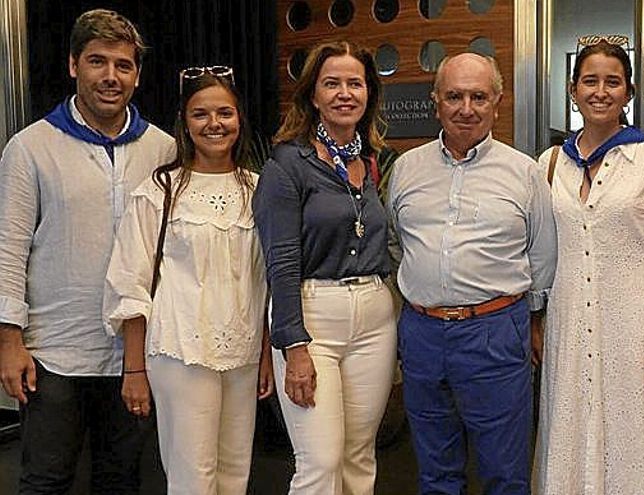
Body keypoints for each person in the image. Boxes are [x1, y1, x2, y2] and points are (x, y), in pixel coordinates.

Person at [0, 9, 175, 494]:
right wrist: (9, 342)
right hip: (54, 352)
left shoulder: (162, 150)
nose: (111, 76)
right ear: (74, 65)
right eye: (98, 62)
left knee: (120, 481)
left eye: (123, 65)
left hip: (134, 356)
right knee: (45, 481)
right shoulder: (30, 147)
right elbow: (7, 250)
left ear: (137, 75)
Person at [532, 38, 644, 495]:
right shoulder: (549, 164)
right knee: (573, 431)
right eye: (590, 81)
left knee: (639, 437)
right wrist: (537, 319)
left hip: (636, 331)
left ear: (628, 92)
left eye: (613, 82)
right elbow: (541, 250)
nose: (600, 91)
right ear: (573, 89)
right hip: (569, 325)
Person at [387, 52, 557, 495]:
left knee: (504, 470)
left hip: (494, 332)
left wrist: (534, 322)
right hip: (422, 333)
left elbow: (542, 257)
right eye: (455, 96)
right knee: (434, 470)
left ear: (497, 102)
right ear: (436, 101)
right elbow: (395, 244)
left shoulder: (524, 172)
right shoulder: (406, 169)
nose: (466, 108)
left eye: (478, 96)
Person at [103, 66, 272, 494]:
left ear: (240, 119)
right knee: (191, 477)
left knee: (235, 473)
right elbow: (130, 285)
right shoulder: (158, 190)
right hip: (179, 351)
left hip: (244, 352)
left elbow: (267, 281)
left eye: (224, 113)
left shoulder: (260, 190)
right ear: (184, 122)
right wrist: (134, 368)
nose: (214, 124)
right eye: (201, 114)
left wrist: (268, 355)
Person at [253, 41, 396, 495]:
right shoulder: (287, 164)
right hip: (314, 318)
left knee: (358, 455)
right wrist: (292, 345)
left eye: (355, 83)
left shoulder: (370, 160)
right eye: (331, 83)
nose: (344, 93)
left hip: (374, 316)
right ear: (312, 95)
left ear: (368, 93)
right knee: (321, 461)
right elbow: (281, 262)